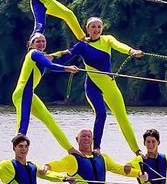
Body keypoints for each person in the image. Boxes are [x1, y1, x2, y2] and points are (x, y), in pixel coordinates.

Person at [59, 17, 143, 154]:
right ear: (87, 29)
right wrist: (48, 58)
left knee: (122, 118)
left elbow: (119, 45)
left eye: (99, 27)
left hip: (109, 85)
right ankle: (96, 147)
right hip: (92, 86)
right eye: (93, 27)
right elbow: (65, 56)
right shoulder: (82, 45)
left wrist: (132, 51)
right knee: (101, 114)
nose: (96, 30)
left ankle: (137, 151)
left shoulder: (107, 39)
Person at [12, 32, 78, 151]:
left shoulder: (39, 55)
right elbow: (50, 65)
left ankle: (71, 150)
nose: (41, 43)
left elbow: (50, 56)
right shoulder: (34, 53)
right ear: (31, 44)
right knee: (23, 125)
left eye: (43, 41)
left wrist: (61, 53)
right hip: (22, 93)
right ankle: (17, 159)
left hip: (30, 94)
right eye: (38, 41)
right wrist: (67, 68)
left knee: (50, 120)